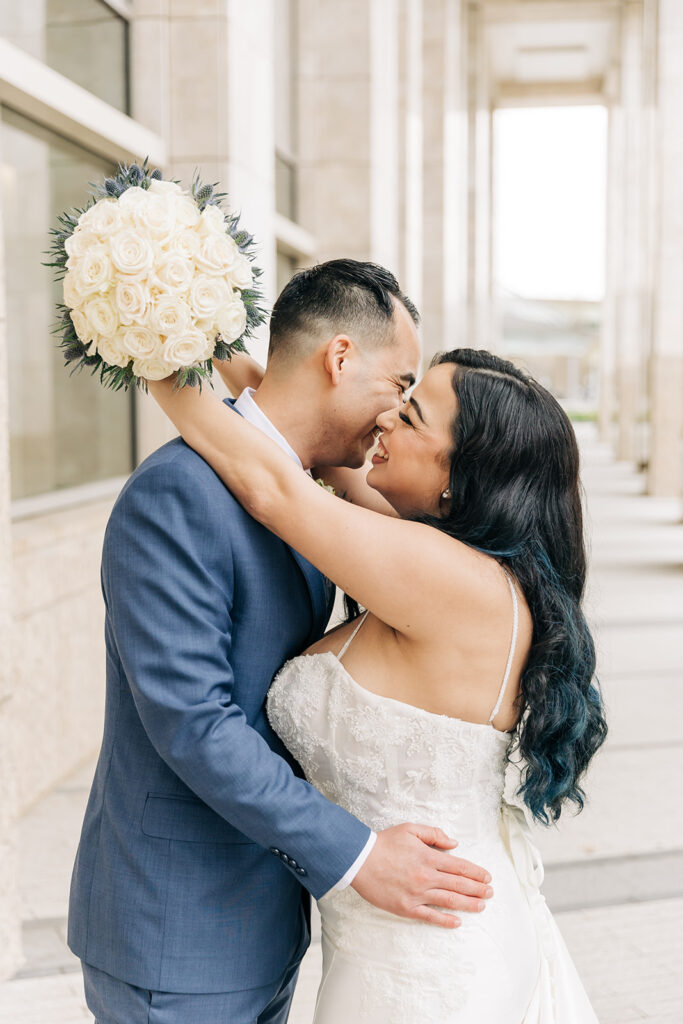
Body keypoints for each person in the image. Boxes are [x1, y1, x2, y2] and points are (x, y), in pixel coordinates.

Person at [68, 260, 493, 1024]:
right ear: (338, 358)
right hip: (175, 923)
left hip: (269, 917)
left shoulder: (312, 500)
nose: (394, 414)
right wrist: (359, 855)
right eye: (398, 385)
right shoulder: (179, 493)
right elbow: (193, 723)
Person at [147, 340, 608, 1022]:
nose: (387, 417)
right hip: (403, 937)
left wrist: (145, 346)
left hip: (429, 965)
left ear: (459, 477)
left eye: (413, 414)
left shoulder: (446, 576)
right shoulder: (444, 551)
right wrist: (209, 332)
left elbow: (272, 483)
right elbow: (292, 433)